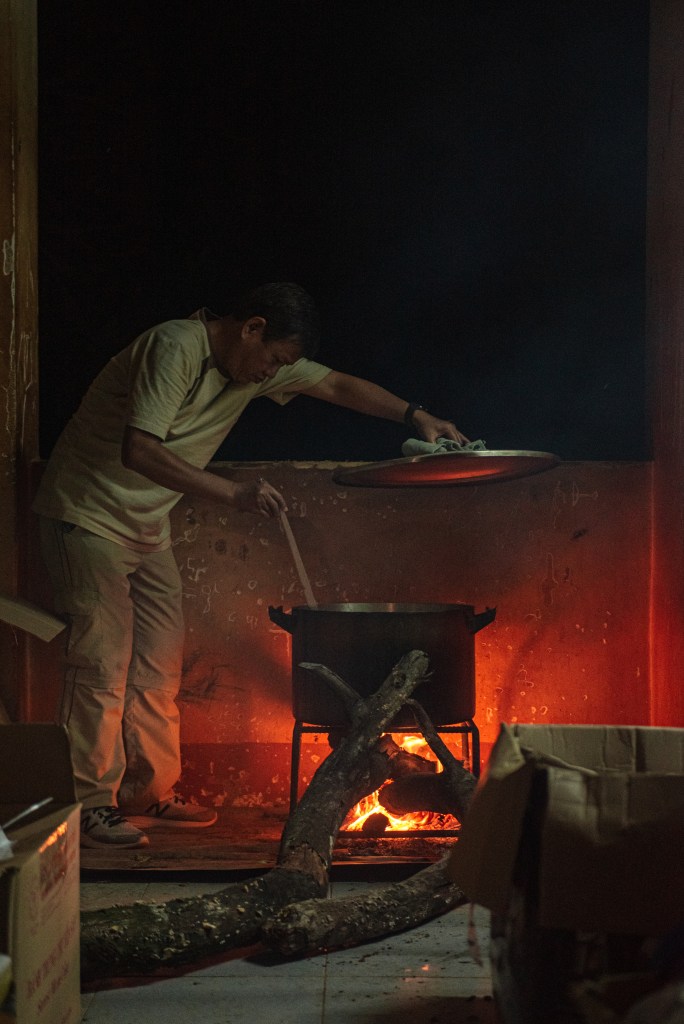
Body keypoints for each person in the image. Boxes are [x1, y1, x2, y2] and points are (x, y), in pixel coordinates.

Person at [33, 282, 468, 849]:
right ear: (252, 327)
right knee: (100, 663)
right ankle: (89, 803)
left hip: (146, 526)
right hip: (88, 516)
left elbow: (335, 384)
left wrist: (417, 415)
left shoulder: (250, 367)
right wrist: (233, 494)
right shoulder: (176, 347)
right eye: (274, 360)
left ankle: (147, 793)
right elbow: (138, 449)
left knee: (159, 664)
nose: (273, 373)